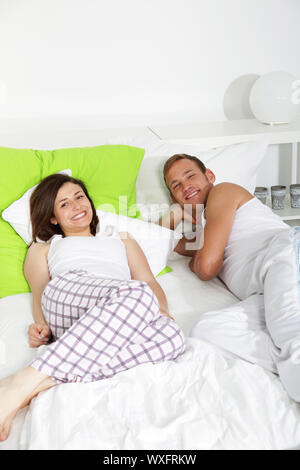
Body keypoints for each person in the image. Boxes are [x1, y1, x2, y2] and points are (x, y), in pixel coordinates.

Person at [0, 173, 185, 442]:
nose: (76, 206)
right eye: (64, 204)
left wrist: (163, 311)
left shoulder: (121, 239)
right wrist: (42, 326)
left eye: (79, 197)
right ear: (52, 217)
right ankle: (25, 379)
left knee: (173, 336)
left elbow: (148, 280)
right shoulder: (44, 248)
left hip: (119, 311)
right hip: (69, 294)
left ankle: (34, 385)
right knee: (139, 294)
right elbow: (41, 292)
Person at [159, 152, 300, 403]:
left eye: (190, 176)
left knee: (290, 334)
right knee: (207, 332)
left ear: (209, 176)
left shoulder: (223, 192)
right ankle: (289, 360)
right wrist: (171, 218)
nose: (185, 186)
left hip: (285, 255)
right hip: (265, 291)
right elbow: (161, 244)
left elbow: (207, 267)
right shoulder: (206, 231)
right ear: (174, 198)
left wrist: (198, 261)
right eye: (176, 186)